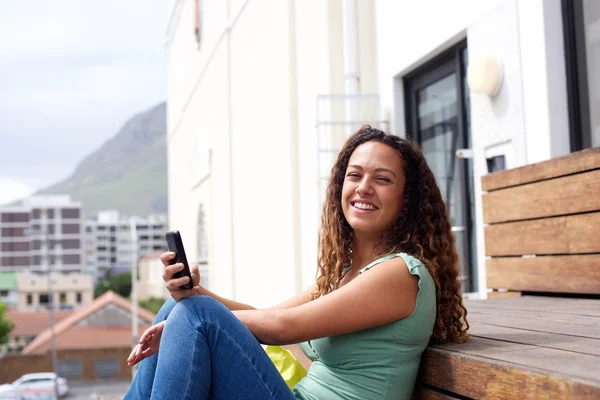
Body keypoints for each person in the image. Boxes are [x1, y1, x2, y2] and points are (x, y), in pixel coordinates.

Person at [124, 125, 469, 400]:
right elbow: (263, 315)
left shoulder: (400, 273)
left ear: (407, 199)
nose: (364, 187)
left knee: (193, 316)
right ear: (340, 187)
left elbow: (282, 328)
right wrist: (194, 291)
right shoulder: (343, 276)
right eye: (355, 175)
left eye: (382, 179)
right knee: (179, 307)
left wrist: (194, 320)